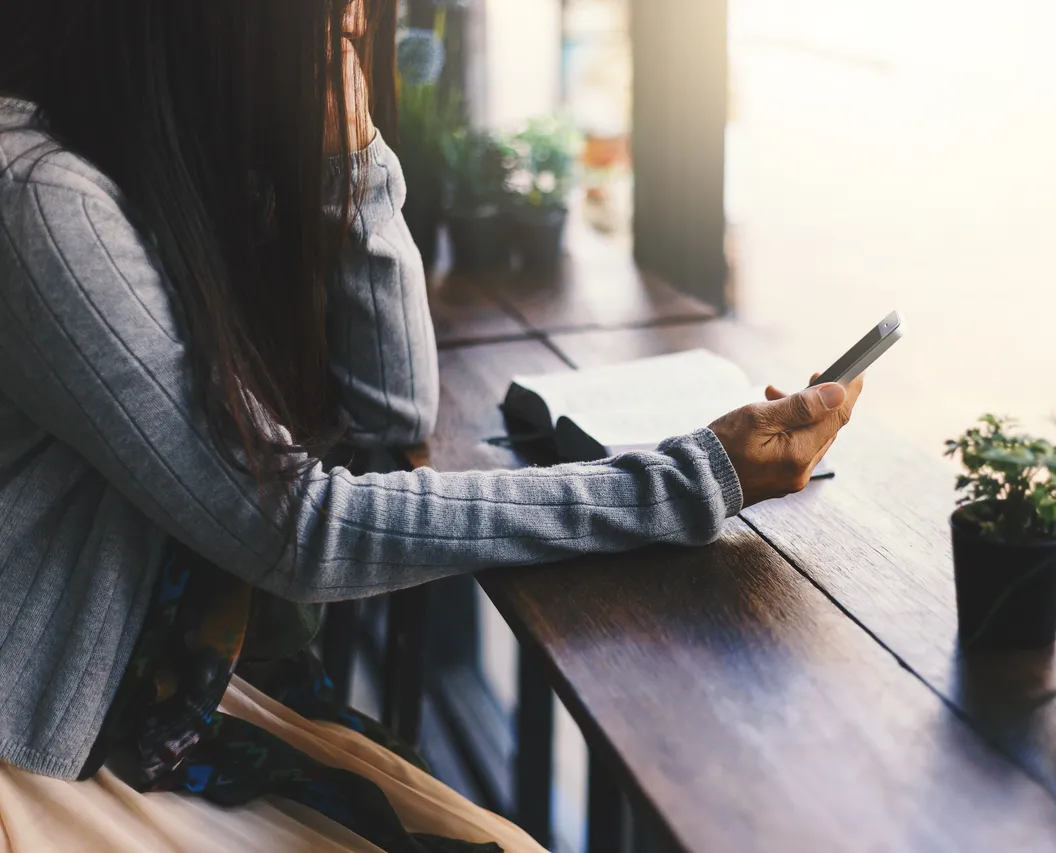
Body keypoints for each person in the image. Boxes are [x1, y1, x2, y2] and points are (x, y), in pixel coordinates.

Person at [0, 1, 862, 851]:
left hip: (146, 696)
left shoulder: (156, 154)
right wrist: (685, 483)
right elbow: (297, 527)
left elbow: (393, 407)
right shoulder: (39, 198)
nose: (355, 22)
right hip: (51, 747)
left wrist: (352, 153)